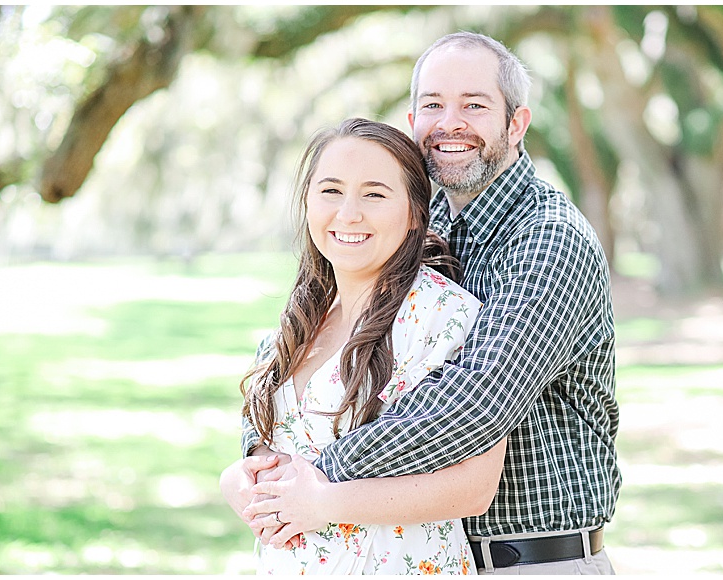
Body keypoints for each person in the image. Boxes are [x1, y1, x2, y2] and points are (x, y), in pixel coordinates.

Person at [227, 31, 622, 575]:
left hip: (530, 561)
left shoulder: (548, 239)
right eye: (433, 105)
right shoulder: (418, 230)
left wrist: (317, 475)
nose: (449, 123)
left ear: (517, 123)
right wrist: (259, 459)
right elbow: (306, 351)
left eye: (474, 106)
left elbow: (473, 405)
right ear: (413, 122)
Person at [222, 117, 509, 575]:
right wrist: (238, 480)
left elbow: (474, 488)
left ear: (416, 212)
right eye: (331, 190)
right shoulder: (299, 320)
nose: (348, 213)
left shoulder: (444, 315)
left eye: (374, 194)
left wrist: (325, 504)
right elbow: (274, 449)